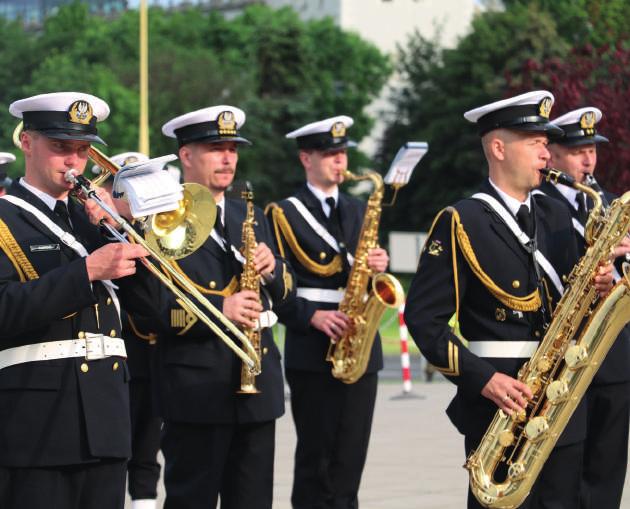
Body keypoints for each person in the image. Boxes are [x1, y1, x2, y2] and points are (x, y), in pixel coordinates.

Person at [403, 91, 614, 509]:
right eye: (535, 142)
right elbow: (424, 320)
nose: (546, 152)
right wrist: (485, 380)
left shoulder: (556, 215)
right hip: (499, 407)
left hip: (561, 401)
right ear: (499, 148)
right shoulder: (461, 219)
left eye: (546, 142)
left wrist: (600, 289)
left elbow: (573, 307)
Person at [0, 92, 153, 509]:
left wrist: (128, 230)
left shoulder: (94, 222)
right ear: (27, 143)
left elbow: (154, 312)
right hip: (38, 431)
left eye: (83, 151)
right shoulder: (4, 218)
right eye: (61, 148)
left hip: (106, 425)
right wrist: (85, 271)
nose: (73, 162)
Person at [155, 105, 293, 509]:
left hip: (256, 387)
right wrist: (222, 309)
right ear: (186, 155)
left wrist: (271, 271)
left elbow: (288, 292)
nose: (228, 157)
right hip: (197, 391)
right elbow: (155, 310)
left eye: (233, 148)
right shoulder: (162, 218)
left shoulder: (248, 213)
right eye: (216, 148)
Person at [266, 115, 389, 509]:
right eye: (330, 154)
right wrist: (311, 316)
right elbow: (275, 283)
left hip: (359, 344)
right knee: (316, 459)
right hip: (313, 345)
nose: (341, 162)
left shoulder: (358, 209)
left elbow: (364, 276)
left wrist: (378, 267)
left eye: (342, 153)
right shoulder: (283, 213)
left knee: (350, 460)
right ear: (306, 159)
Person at [539, 107, 630, 509]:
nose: (589, 159)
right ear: (553, 153)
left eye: (592, 148)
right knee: (562, 473)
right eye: (577, 149)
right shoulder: (537, 206)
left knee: (607, 468)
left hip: (612, 355)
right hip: (563, 356)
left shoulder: (612, 205)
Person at [93, 152, 163, 509]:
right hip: (119, 354)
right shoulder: (96, 229)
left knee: (149, 442)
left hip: (154, 355)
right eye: (125, 188)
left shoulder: (158, 228)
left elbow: (156, 302)